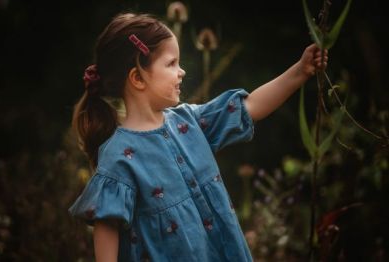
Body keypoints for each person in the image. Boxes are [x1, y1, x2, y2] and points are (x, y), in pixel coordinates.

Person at [69, 12, 327, 262]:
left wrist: (300, 71)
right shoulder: (119, 155)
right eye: (171, 64)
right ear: (137, 77)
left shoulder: (189, 122)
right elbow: (107, 228)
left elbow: (251, 107)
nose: (181, 71)